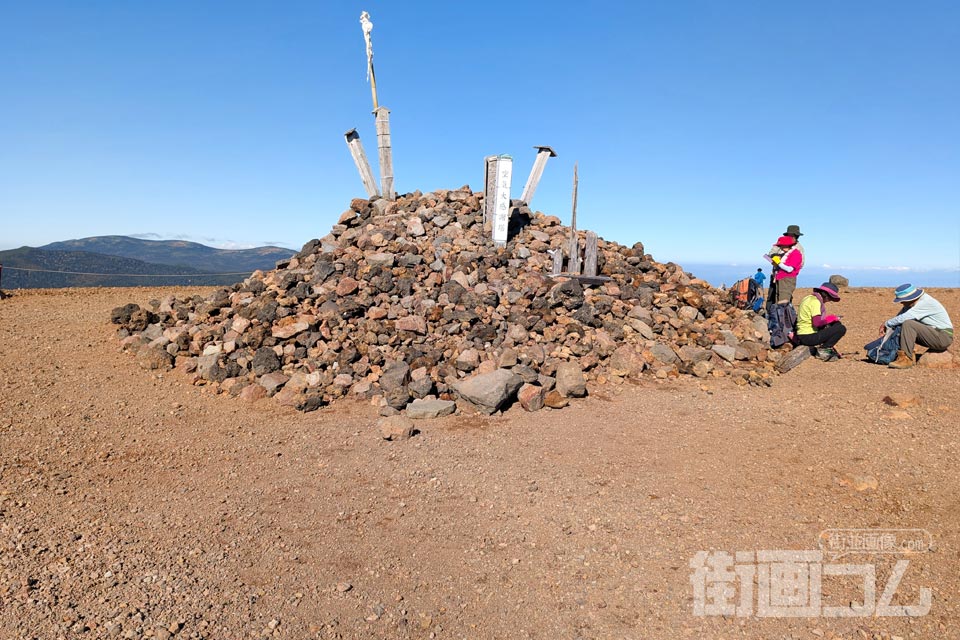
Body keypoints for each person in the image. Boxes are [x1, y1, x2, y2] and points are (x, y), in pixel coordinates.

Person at [881, 284, 953, 369]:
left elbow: (903, 318)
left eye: (903, 300)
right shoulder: (911, 304)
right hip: (934, 333)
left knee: (908, 324)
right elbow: (898, 318)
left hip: (942, 336)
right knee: (901, 326)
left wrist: (886, 324)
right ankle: (901, 354)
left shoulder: (925, 302)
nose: (901, 302)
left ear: (910, 298)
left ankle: (906, 359)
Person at [795, 282, 846, 361]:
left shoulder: (808, 298)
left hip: (802, 334)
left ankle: (825, 347)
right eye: (830, 298)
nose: (828, 301)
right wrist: (830, 319)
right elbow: (817, 323)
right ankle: (824, 350)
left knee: (836, 324)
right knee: (841, 329)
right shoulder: (815, 302)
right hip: (808, 337)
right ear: (825, 295)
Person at [766, 235, 803, 305]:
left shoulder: (796, 254)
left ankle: (783, 315)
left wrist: (779, 263)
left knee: (783, 301)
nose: (780, 248)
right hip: (780, 278)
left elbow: (789, 269)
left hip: (787, 280)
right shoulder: (785, 254)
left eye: (781, 246)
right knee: (778, 299)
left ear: (787, 245)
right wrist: (775, 263)